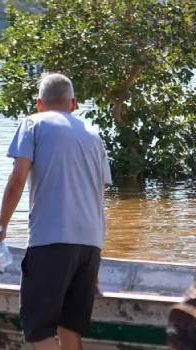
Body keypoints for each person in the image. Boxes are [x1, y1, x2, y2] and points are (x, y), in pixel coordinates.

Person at [0, 73, 112, 350]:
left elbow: (16, 181)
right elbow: (100, 197)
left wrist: (1, 226)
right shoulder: (93, 134)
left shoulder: (33, 124)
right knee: (70, 326)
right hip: (90, 246)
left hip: (51, 241)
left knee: (38, 329)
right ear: (73, 103)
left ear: (39, 104)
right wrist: (95, 257)